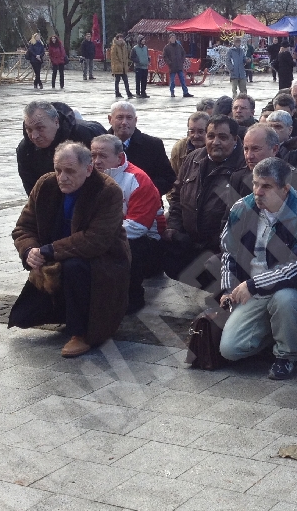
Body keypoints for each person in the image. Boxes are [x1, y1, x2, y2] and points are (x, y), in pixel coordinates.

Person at [10, 141, 130, 358]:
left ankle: (82, 333)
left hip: (103, 261)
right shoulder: (45, 184)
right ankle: (62, 311)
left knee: (74, 266)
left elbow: (96, 239)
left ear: (88, 169)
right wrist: (30, 251)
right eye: (58, 170)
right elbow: (24, 227)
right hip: (57, 255)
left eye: (70, 171)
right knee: (27, 314)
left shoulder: (108, 191)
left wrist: (49, 250)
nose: (62, 177)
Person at [218, 157, 297, 380]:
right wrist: (228, 289)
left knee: (285, 299)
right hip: (252, 289)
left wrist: (254, 284)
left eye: (266, 186)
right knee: (230, 350)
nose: (258, 192)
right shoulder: (242, 208)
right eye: (255, 184)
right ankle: (274, 333)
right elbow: (228, 251)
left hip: (290, 287)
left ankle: (288, 356)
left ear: (285, 189)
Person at [163, 114, 246, 289]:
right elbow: (177, 196)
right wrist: (174, 228)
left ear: (235, 139)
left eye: (222, 137)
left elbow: (243, 220)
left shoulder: (244, 166)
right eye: (211, 136)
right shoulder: (193, 158)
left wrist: (222, 250)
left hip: (219, 246)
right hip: (189, 239)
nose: (215, 142)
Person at [90, 134, 162, 314]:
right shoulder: (88, 176)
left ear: (119, 157)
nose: (97, 161)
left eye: (103, 156)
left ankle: (133, 298)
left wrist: (96, 236)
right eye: (93, 155)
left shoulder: (137, 179)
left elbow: (138, 227)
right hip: (107, 233)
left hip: (148, 241)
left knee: (127, 247)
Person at [17, 100, 104, 194]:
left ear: (56, 122)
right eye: (29, 129)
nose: (34, 136)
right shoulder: (25, 149)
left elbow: (110, 167)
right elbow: (33, 192)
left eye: (40, 128)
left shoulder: (86, 133)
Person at [107, 101, 175, 197]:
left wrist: (145, 191)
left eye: (129, 118)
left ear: (135, 120)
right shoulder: (97, 145)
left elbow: (168, 178)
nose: (124, 122)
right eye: (120, 117)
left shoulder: (153, 145)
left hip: (145, 200)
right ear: (110, 119)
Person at [230, 124, 282, 196]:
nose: (249, 156)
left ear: (274, 149)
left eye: (255, 149)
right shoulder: (237, 178)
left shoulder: (292, 178)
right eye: (246, 149)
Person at [168, 112, 210, 186]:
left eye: (200, 132)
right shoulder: (179, 147)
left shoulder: (214, 148)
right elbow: (172, 177)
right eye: (192, 131)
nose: (196, 136)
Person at [109, 33, 131, 97]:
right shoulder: (114, 46)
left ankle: (128, 92)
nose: (121, 39)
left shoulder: (124, 46)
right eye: (119, 38)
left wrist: (126, 64)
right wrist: (119, 63)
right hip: (118, 66)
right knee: (117, 81)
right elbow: (113, 57)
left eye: (122, 38)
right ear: (117, 38)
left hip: (123, 66)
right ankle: (117, 93)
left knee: (126, 80)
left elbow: (126, 55)